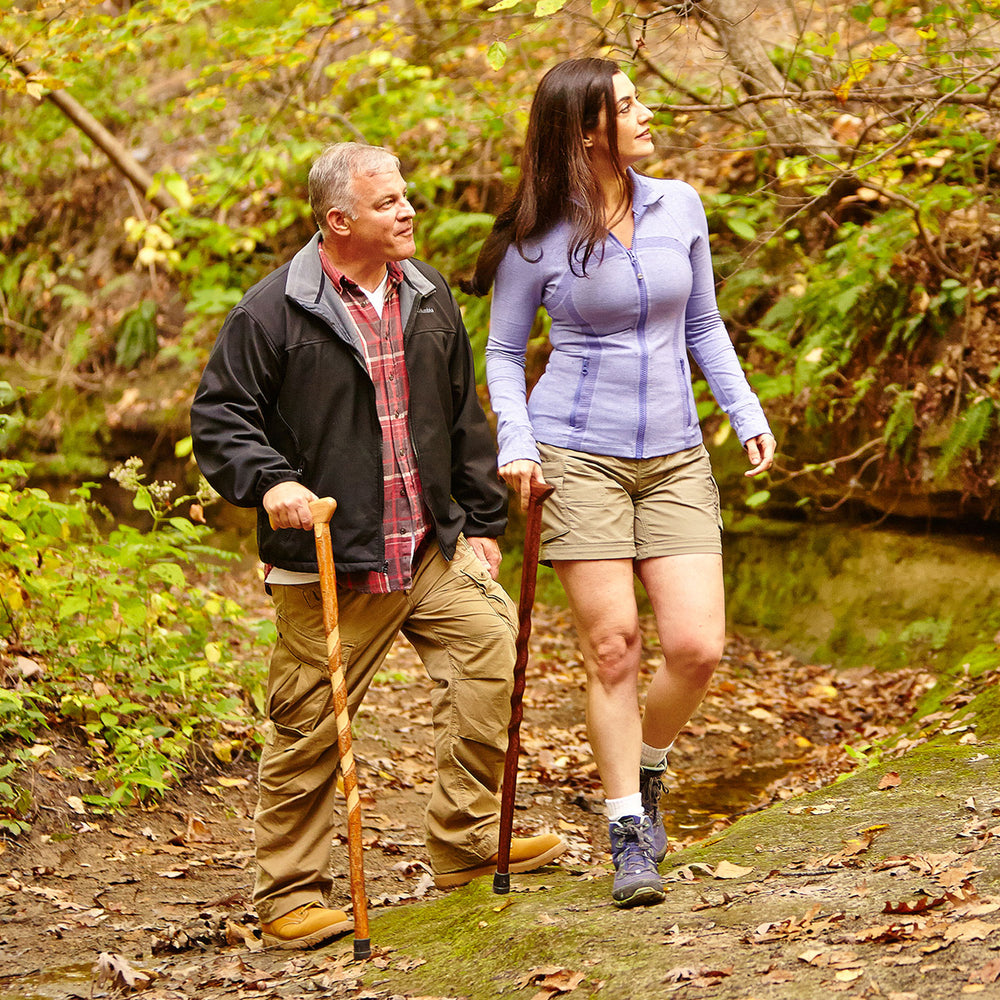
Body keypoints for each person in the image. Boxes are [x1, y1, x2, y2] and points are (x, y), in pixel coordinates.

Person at [191, 142, 564, 950]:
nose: (408, 211)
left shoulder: (426, 293)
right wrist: (272, 483)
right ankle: (291, 897)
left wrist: (481, 525)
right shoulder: (271, 312)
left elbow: (461, 417)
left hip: (428, 546)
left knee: (490, 657)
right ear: (338, 220)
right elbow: (220, 418)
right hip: (333, 556)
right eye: (388, 202)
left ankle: (465, 845)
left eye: (406, 197)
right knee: (312, 725)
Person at [467, 59, 775, 908]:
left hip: (675, 451)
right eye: (628, 104)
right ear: (586, 130)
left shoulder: (680, 205)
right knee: (614, 649)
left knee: (697, 647)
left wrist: (744, 410)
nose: (648, 113)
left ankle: (646, 764)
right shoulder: (538, 234)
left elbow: (704, 322)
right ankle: (627, 828)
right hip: (576, 453)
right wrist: (518, 444)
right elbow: (501, 351)